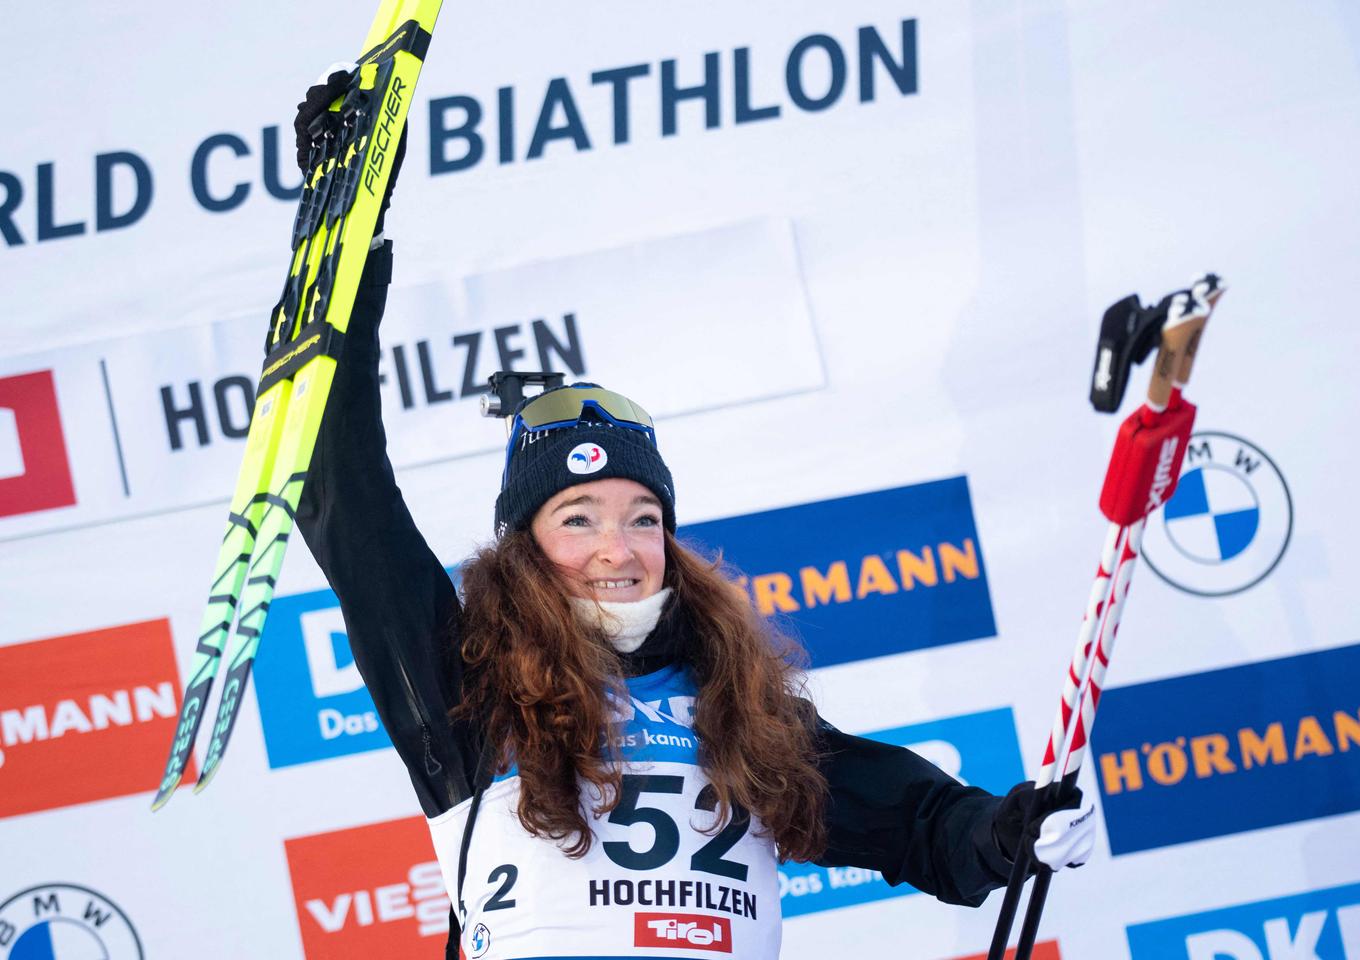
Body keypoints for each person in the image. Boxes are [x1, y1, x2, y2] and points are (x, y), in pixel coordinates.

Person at [291, 70, 1096, 960]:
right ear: (524, 550)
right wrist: (340, 228)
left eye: (643, 518)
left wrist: (1007, 834)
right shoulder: (468, 688)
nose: (619, 549)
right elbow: (342, 488)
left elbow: (921, 824)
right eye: (579, 518)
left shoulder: (733, 704)